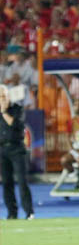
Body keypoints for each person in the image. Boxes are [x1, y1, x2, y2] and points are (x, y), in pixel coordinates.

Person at [0, 85, 33, 219]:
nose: (2, 99)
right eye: (0, 97)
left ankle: (29, 212)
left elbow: (14, 124)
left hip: (17, 149)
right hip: (2, 150)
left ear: (9, 96)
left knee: (22, 181)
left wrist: (4, 112)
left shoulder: (17, 109)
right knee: (6, 183)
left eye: (4, 96)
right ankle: (12, 213)